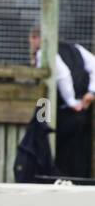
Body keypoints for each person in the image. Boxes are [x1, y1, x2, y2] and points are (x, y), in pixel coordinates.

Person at [30, 27, 95, 177]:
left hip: (60, 112)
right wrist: (91, 93)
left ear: (37, 38)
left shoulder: (44, 53)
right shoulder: (76, 48)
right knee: (79, 152)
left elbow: (63, 75)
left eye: (32, 39)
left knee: (59, 152)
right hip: (82, 112)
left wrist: (72, 102)